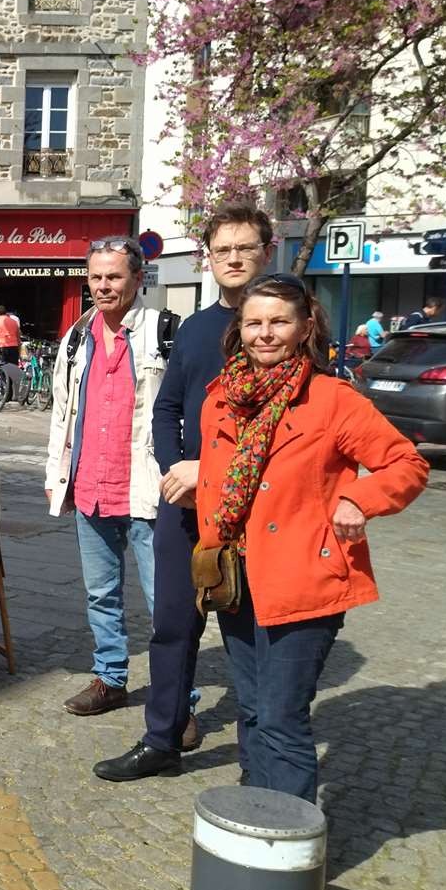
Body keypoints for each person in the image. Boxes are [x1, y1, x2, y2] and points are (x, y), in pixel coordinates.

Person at [193, 273, 426, 800]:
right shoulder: (221, 399)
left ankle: (291, 849)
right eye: (254, 322)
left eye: (279, 321)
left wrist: (359, 500)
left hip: (304, 580)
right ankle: (253, 820)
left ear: (304, 327)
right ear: (239, 328)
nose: (265, 334)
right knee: (250, 712)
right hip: (236, 576)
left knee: (280, 717)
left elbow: (406, 464)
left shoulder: (330, 400)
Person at [95, 203, 273, 781]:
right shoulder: (195, 327)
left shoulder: (285, 326)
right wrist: (179, 471)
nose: (234, 259)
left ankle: (260, 757)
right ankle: (161, 740)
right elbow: (167, 408)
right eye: (223, 250)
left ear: (266, 253)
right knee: (173, 626)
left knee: (249, 633)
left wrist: (211, 472)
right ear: (209, 258)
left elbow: (285, 426)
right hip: (186, 502)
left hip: (254, 508)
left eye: (245, 248)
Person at [45, 237, 166, 717]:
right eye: (95, 277)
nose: (103, 286)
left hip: (147, 489)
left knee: (166, 604)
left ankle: (177, 698)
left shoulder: (164, 331)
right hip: (91, 486)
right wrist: (58, 473)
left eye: (114, 276)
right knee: (101, 593)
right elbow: (61, 412)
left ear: (137, 279)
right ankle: (111, 678)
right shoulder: (76, 338)